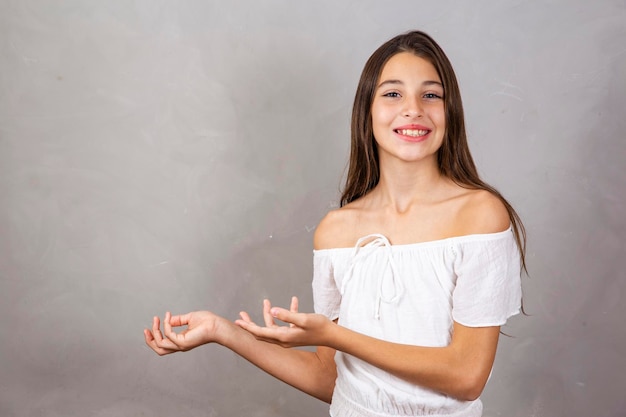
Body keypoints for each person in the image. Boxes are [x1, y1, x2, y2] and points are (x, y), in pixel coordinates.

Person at [144, 30, 526, 417]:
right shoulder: (337, 232)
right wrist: (222, 331)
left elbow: (466, 376)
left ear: (451, 111)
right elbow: (331, 378)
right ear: (368, 111)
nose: (413, 109)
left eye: (431, 94)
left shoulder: (479, 215)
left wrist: (335, 335)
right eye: (392, 93)